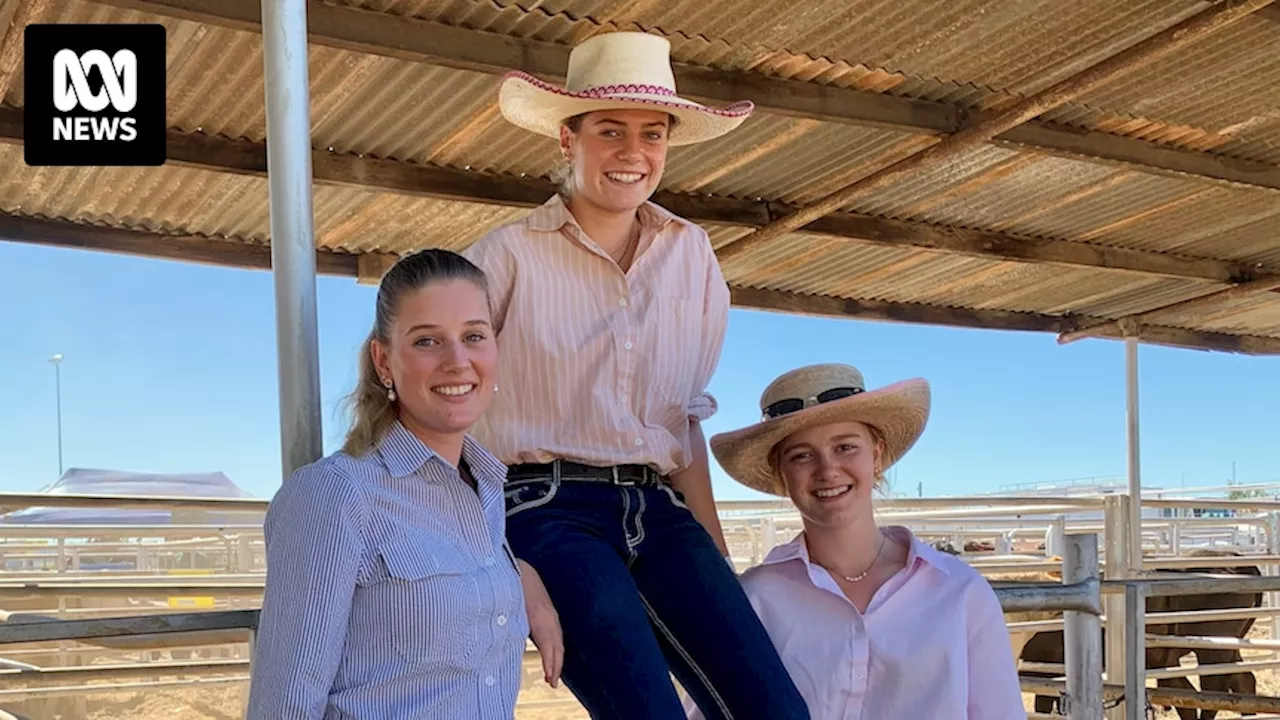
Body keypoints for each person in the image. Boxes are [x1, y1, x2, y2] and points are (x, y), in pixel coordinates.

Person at [462, 30, 810, 720]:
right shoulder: (503, 258)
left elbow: (681, 416)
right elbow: (441, 406)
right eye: (610, 130)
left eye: (652, 134)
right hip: (542, 507)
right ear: (568, 139)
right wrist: (494, 555)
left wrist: (710, 550)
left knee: (776, 710)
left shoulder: (693, 254)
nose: (633, 153)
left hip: (660, 506)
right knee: (648, 711)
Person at [245, 249, 563, 719]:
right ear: (383, 361)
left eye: (474, 336)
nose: (458, 361)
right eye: (427, 342)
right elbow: (283, 707)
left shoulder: (487, 490)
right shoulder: (334, 496)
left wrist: (522, 580)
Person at [703, 363, 1026, 719]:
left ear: (876, 455)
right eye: (802, 455)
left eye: (845, 447)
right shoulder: (754, 600)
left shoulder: (961, 593)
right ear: (782, 473)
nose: (827, 470)